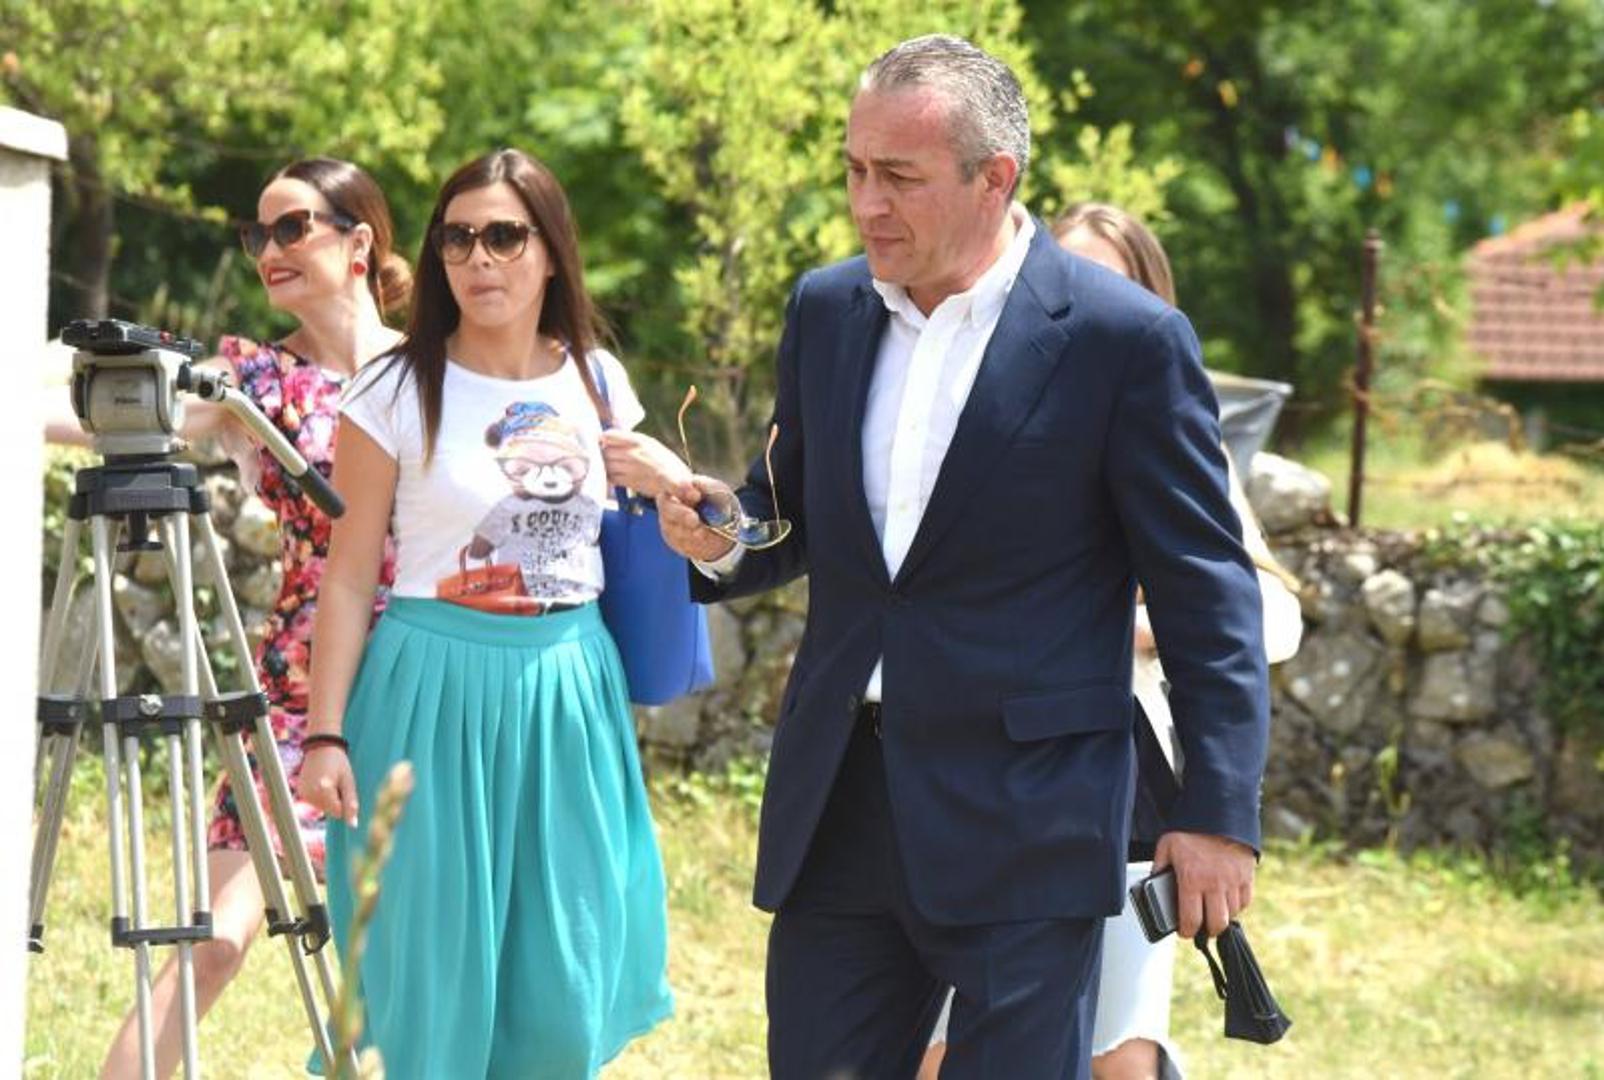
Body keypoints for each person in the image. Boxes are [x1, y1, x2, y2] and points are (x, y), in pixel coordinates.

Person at [657, 35, 1270, 1079]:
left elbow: (1206, 594)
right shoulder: (824, 311)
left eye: (899, 177)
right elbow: (789, 511)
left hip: (1029, 818)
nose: (867, 204)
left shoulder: (1123, 341)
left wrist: (1217, 813)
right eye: (854, 170)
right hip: (841, 804)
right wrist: (724, 535)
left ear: (996, 178)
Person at [300, 147, 679, 1079]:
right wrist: (325, 734)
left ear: (550, 251)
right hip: (429, 694)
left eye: (505, 236)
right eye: (458, 238)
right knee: (430, 990)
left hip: (568, 694)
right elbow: (348, 577)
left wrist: (682, 485)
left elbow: (659, 529)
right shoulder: (392, 390)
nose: (479, 258)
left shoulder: (598, 381)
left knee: (562, 990)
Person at [919, 202, 1305, 1080]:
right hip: (972, 767)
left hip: (1123, 775)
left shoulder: (1171, 428)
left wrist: (1135, 624)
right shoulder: (975, 416)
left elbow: (1265, 611)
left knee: (1118, 1051)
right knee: (940, 1046)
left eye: (1111, 283)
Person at [58, 157, 409, 1080]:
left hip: (429, 674)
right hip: (300, 686)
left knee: (417, 954)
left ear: (359, 243)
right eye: (258, 235)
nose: (268, 251)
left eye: (292, 227)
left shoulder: (436, 371)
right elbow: (111, 408)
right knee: (214, 941)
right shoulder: (252, 381)